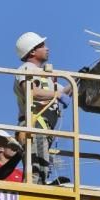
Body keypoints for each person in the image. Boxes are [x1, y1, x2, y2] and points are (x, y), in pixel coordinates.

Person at [13, 32, 72, 184]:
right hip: (34, 125)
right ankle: (34, 195)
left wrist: (76, 81)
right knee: (37, 168)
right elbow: (32, 92)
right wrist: (57, 96)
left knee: (43, 167)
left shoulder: (43, 75)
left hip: (43, 128)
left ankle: (40, 188)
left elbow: (61, 92)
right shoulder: (26, 69)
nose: (47, 48)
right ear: (32, 51)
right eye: (42, 46)